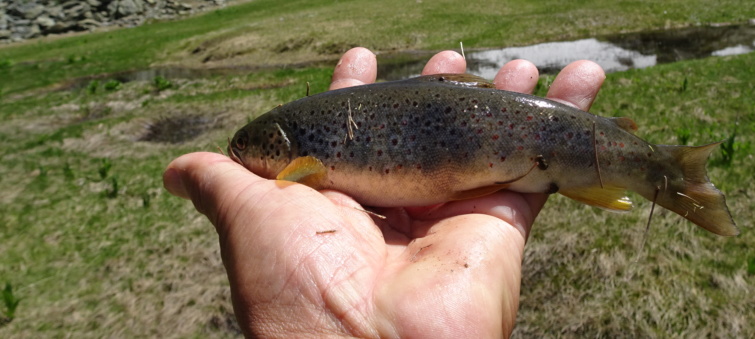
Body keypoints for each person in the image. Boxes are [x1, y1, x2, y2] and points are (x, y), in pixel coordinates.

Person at [163, 47, 605, 338]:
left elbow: (294, 179)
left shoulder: (297, 168)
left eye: (244, 149)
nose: (239, 158)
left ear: (279, 144)